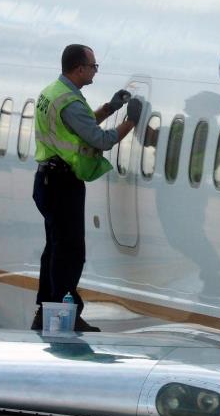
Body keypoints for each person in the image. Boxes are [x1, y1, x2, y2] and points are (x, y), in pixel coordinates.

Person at [31, 44, 143, 331]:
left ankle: (46, 310)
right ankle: (63, 316)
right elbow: (100, 140)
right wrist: (131, 120)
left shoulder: (54, 93)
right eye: (93, 66)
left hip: (46, 181)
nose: (95, 70)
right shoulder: (70, 102)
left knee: (55, 249)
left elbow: (78, 126)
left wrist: (109, 108)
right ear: (79, 68)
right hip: (62, 184)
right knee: (70, 253)